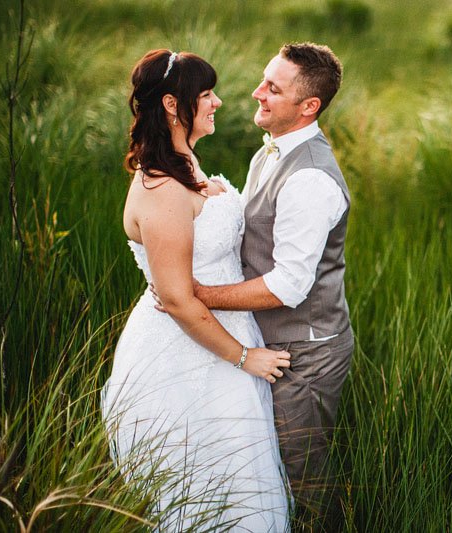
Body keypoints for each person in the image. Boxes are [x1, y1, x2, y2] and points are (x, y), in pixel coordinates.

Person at [101, 49, 291, 531]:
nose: (218, 102)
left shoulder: (184, 166)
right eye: (206, 95)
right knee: (202, 493)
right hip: (189, 358)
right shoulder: (161, 188)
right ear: (171, 104)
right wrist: (246, 357)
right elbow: (180, 301)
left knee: (241, 488)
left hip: (221, 340)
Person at [192, 42, 353, 531]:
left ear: (310, 107)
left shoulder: (309, 179)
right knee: (267, 474)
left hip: (304, 355)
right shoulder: (274, 151)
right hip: (270, 344)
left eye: (273, 89)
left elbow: (287, 286)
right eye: (264, 79)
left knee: (301, 481)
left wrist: (200, 295)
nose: (257, 92)